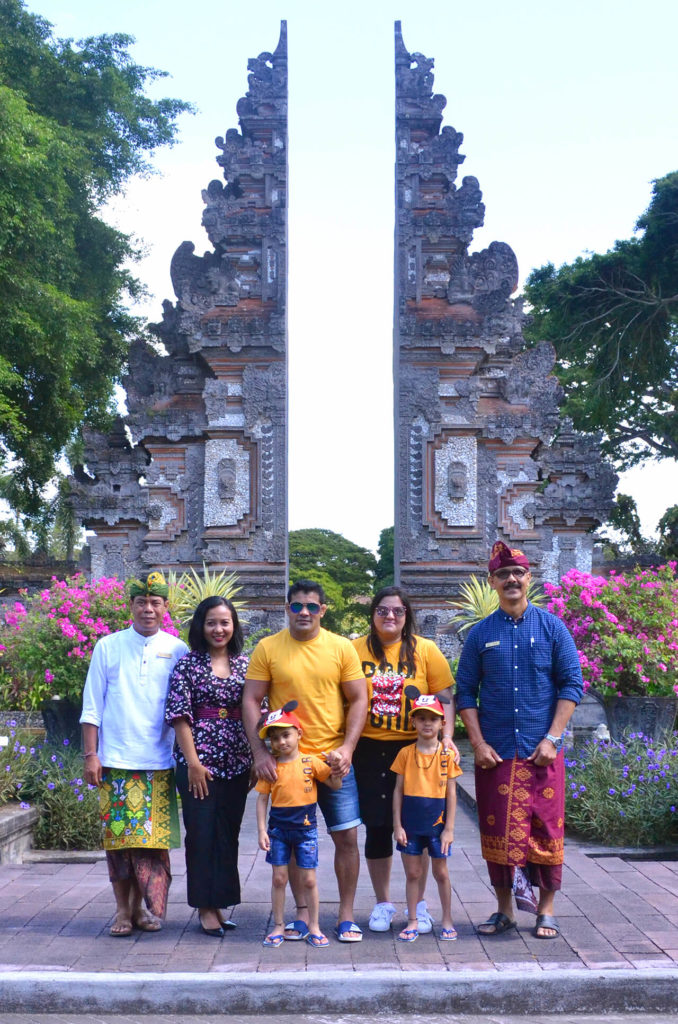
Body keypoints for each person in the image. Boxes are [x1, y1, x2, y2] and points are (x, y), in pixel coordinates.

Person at [455, 541, 583, 940]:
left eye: (518, 573)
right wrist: (476, 744)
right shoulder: (481, 634)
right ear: (492, 582)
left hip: (541, 752)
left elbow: (572, 684)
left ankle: (546, 910)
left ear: (529, 578)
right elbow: (464, 693)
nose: (511, 579)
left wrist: (553, 738)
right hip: (496, 754)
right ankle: (504, 910)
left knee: (545, 830)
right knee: (497, 835)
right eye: (502, 574)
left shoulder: (552, 627)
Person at [243, 578, 367, 943]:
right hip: (286, 762)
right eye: (297, 606)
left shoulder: (340, 647)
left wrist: (347, 749)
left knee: (346, 836)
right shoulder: (268, 647)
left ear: (322, 610)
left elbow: (358, 698)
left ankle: (345, 916)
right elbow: (251, 700)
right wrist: (260, 751)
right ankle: (300, 915)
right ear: (287, 608)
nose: (304, 613)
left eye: (312, 606)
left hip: (331, 759)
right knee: (293, 838)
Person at [81, 571, 188, 937]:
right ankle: (122, 912)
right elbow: (91, 707)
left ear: (165, 608)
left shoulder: (178, 650)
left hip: (158, 764)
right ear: (130, 606)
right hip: (115, 763)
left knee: (151, 846)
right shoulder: (108, 647)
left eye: (155, 602)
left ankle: (143, 911)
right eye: (141, 602)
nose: (148, 609)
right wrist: (91, 756)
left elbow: (184, 711)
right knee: (119, 846)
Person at [351, 586, 458, 934]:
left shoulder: (425, 650)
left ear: (407, 615)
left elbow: (445, 698)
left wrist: (446, 738)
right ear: (373, 614)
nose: (390, 617)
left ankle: (419, 903)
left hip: (414, 748)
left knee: (421, 825)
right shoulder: (354, 649)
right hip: (369, 748)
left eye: (397, 611)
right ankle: (383, 903)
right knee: (378, 826)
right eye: (383, 610)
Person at [165, 596, 251, 938]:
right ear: (201, 626)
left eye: (225, 622)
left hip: (237, 762)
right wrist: (194, 764)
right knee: (201, 833)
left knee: (227, 835)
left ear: (234, 627)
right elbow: (179, 716)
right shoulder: (187, 666)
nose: (219, 629)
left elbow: (257, 709)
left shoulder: (245, 665)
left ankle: (221, 902)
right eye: (212, 622)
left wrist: (259, 756)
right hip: (198, 763)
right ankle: (204, 906)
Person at [255, 703, 341, 948]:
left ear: (299, 734)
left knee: (310, 880)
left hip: (306, 832)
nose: (281, 742)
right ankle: (278, 925)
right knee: (279, 878)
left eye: (286, 735)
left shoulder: (311, 762)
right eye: (274, 738)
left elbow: (334, 785)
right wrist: (262, 830)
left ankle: (314, 925)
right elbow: (262, 800)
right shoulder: (271, 768)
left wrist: (335, 764)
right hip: (278, 832)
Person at [391, 690, 462, 942]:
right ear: (413, 722)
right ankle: (412, 920)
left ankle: (447, 919)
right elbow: (398, 792)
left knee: (441, 872)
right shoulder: (405, 754)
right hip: (410, 825)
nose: (427, 723)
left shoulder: (446, 755)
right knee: (413, 873)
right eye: (421, 718)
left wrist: (449, 828)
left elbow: (452, 794)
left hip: (437, 825)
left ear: (443, 722)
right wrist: (397, 825)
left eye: (432, 718)